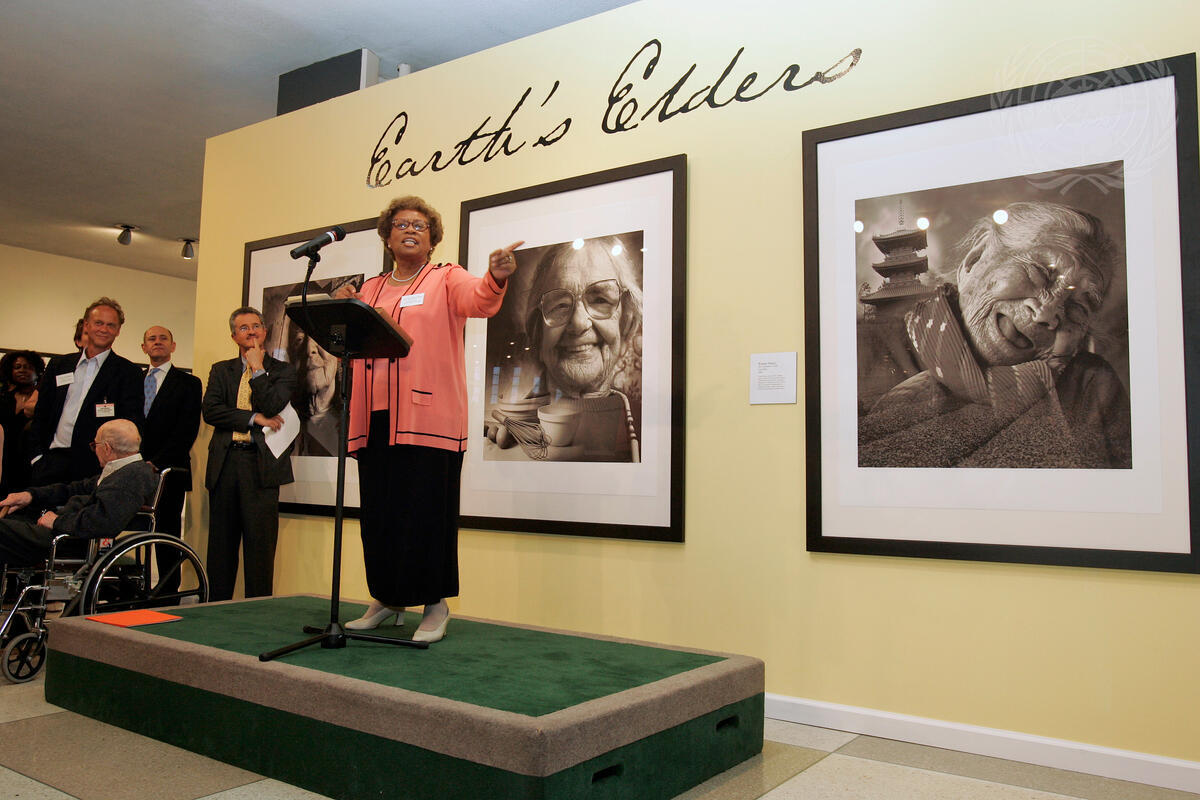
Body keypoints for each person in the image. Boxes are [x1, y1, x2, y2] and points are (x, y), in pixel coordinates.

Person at [333, 195, 520, 642]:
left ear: (432, 238)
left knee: (426, 514)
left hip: (429, 419)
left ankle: (435, 604)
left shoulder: (446, 277)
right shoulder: (370, 288)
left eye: (419, 225)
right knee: (379, 514)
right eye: (401, 224)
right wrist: (342, 309)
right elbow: (350, 342)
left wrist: (495, 276)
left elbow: (480, 300)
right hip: (373, 420)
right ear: (387, 236)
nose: (410, 230)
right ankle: (387, 597)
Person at [859, 201, 1132, 468]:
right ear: (975, 261)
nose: (1046, 314)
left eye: (1079, 306)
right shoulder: (864, 351)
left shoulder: (1092, 387)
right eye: (1040, 272)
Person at [486, 237, 644, 462]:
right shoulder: (507, 428)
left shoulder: (649, 425)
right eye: (559, 305)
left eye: (600, 300)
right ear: (538, 333)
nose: (578, 323)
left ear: (626, 323)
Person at [202, 307, 297, 601]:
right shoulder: (221, 370)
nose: (251, 331)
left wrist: (257, 369)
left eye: (256, 326)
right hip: (225, 463)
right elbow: (212, 411)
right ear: (234, 336)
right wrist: (254, 418)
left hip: (261, 466)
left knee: (260, 548)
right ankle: (215, 609)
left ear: (265, 332)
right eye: (244, 328)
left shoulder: (283, 371)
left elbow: (273, 404)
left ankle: (259, 610)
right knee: (221, 548)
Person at [0, 419, 157, 568]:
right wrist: (31, 496)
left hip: (69, 540)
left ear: (107, 448)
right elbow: (72, 489)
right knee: (11, 520)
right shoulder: (122, 471)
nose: (94, 451)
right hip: (67, 533)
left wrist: (56, 521)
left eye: (95, 445)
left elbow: (102, 522)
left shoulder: (131, 477)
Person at [30, 298, 144, 485]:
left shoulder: (129, 372)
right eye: (99, 323)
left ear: (118, 331)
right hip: (50, 462)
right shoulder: (59, 365)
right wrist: (36, 457)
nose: (104, 329)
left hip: (95, 467)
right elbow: (41, 413)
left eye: (111, 325)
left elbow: (131, 421)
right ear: (86, 325)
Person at [140, 326, 202, 596]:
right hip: (131, 470)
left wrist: (155, 462)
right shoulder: (133, 381)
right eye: (151, 339)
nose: (157, 342)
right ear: (144, 347)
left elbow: (186, 430)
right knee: (135, 532)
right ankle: (139, 588)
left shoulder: (189, 383)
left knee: (166, 533)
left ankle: (167, 593)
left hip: (168, 470)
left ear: (173, 346)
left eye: (163, 338)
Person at [288, 328, 340, 457]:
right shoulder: (288, 419)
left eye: (321, 340)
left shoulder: (352, 422)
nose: (310, 351)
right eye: (299, 341)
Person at [0, 350, 44, 494]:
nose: (22, 371)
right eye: (17, 367)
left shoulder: (43, 397)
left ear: (37, 371)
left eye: (28, 367)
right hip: (5, 455)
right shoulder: (4, 397)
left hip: (30, 458)